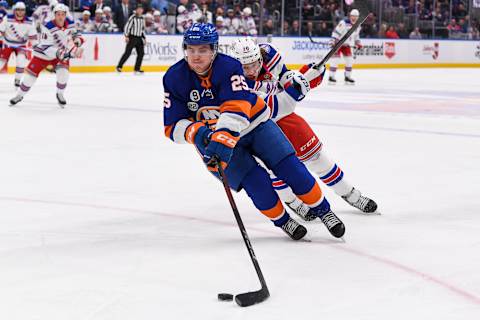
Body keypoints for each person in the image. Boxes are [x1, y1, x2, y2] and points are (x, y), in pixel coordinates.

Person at [163, 23, 346, 240]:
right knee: (257, 185)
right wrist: (200, 134)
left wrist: (222, 137)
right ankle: (284, 221)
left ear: (214, 49)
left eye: (202, 50)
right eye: (191, 49)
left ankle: (324, 211)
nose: (196, 56)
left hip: (256, 126)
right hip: (214, 141)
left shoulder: (229, 67)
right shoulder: (174, 77)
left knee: (292, 169)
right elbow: (172, 126)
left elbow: (237, 107)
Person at [231, 37, 377, 219]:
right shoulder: (234, 83)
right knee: (274, 170)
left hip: (285, 120)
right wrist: (298, 89)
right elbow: (275, 107)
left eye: (254, 64)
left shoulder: (267, 53)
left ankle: (349, 193)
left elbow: (285, 78)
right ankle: (293, 202)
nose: (252, 70)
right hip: (259, 128)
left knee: (317, 158)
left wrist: (306, 76)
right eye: (245, 67)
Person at [9, 4, 84, 107]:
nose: (61, 17)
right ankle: (19, 95)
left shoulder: (70, 23)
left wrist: (77, 41)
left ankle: (60, 94)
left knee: (64, 74)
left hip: (61, 54)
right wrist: (60, 53)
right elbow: (46, 47)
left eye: (63, 14)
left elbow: (76, 33)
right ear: (54, 15)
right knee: (29, 78)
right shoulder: (48, 26)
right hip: (43, 55)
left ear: (65, 15)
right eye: (58, 14)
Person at [0, 2, 37, 87]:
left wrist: (35, 45)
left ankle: (17, 80)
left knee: (21, 62)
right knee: (0, 63)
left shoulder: (30, 22)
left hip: (21, 45)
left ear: (24, 11)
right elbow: (1, 31)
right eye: (18, 10)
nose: (20, 12)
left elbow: (33, 37)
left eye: (22, 10)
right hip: (7, 43)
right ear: (15, 10)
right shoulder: (7, 18)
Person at [328, 9, 362, 85]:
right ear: (350, 16)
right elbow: (336, 32)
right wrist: (332, 41)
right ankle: (331, 77)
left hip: (347, 45)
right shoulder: (343, 23)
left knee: (350, 61)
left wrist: (358, 43)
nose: (354, 18)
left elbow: (356, 36)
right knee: (335, 60)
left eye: (356, 16)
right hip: (338, 44)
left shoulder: (358, 25)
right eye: (353, 16)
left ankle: (347, 77)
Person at [116, 4, 146, 74]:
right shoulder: (133, 17)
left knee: (141, 53)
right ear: (136, 10)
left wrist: (144, 38)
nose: (140, 10)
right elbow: (127, 27)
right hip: (132, 37)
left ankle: (137, 69)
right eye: (138, 9)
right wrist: (126, 36)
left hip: (139, 38)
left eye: (141, 9)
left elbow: (142, 29)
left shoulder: (142, 18)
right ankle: (119, 67)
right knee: (127, 53)